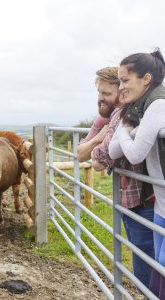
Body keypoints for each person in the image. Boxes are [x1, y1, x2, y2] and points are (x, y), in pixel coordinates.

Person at [77, 66, 155, 288]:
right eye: (99, 93)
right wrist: (98, 139)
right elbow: (81, 154)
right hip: (129, 199)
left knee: (147, 263)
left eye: (106, 94)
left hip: (145, 200)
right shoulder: (104, 120)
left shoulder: (125, 115)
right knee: (143, 258)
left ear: (121, 93)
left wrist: (99, 145)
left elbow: (99, 162)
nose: (100, 99)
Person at [109, 49, 165, 298]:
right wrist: (126, 122)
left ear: (146, 79)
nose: (121, 86)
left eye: (125, 80)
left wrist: (123, 130)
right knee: (158, 271)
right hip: (161, 206)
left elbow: (134, 154)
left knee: (161, 270)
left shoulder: (158, 105)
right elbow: (112, 151)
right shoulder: (140, 108)